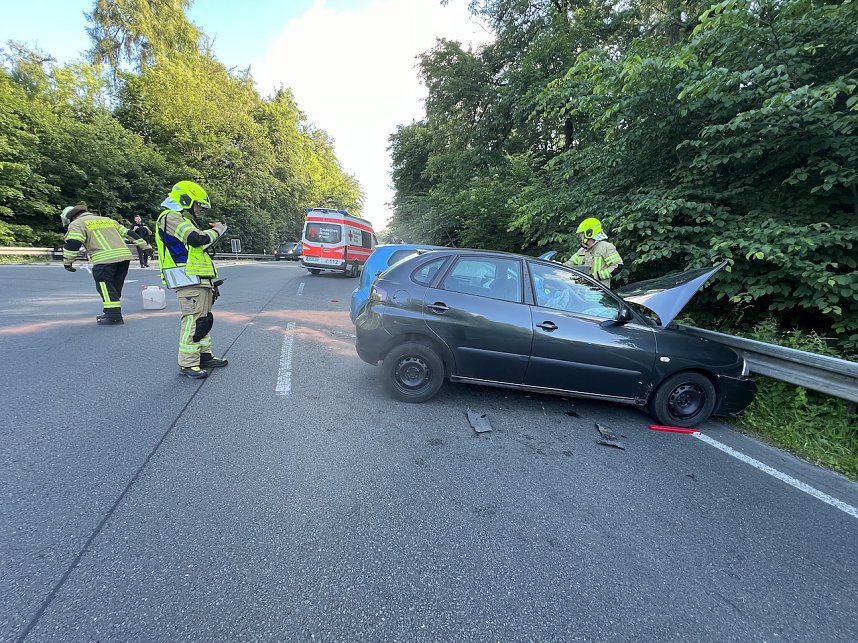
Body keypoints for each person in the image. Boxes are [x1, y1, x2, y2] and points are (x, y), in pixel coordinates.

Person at [155, 180, 229, 379]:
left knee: (204, 320)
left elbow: (196, 247)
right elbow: (197, 239)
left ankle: (204, 356)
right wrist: (218, 230)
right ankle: (187, 363)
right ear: (185, 200)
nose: (199, 209)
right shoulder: (170, 217)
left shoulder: (180, 219)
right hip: (186, 279)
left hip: (197, 279)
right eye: (197, 204)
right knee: (194, 321)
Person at [61, 204, 151, 325]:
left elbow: (73, 243)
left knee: (105, 287)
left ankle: (114, 316)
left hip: (104, 260)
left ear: (70, 218)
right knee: (114, 287)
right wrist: (145, 246)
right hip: (123, 258)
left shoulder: (77, 224)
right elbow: (129, 233)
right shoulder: (107, 220)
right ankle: (110, 311)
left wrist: (68, 262)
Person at [564, 217, 624, 288]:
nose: (580, 236)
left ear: (589, 233)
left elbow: (617, 266)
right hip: (583, 292)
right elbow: (569, 264)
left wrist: (594, 277)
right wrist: (556, 267)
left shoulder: (605, 247)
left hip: (599, 292)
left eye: (582, 234)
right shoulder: (582, 250)